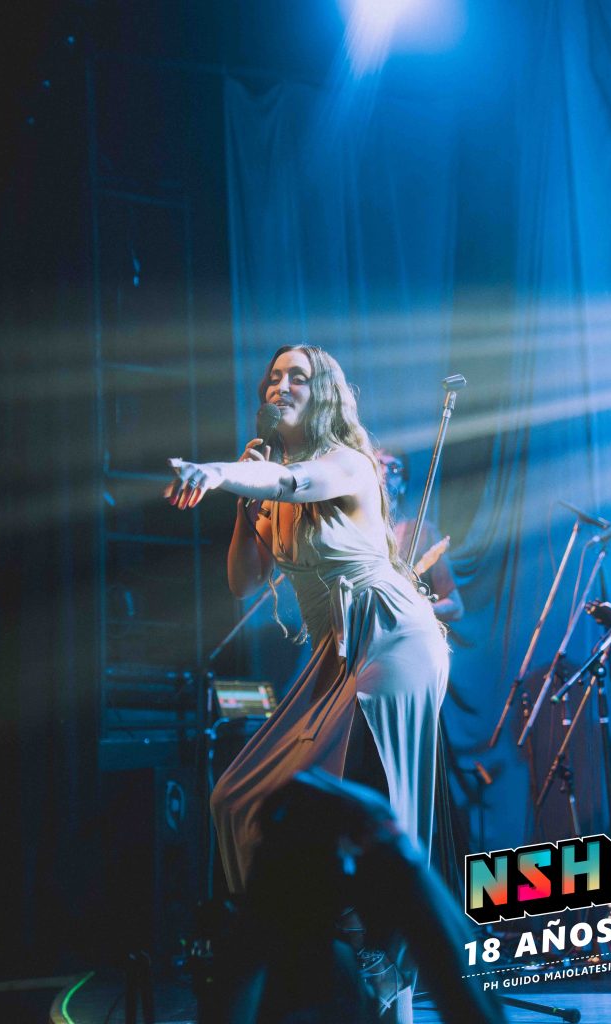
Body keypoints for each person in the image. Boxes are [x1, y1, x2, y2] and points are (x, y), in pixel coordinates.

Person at [166, 346, 449, 1015]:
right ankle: (298, 944)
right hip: (335, 651)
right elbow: (244, 581)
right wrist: (242, 501)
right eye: (274, 377)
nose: (282, 385)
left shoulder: (345, 462)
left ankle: (381, 958)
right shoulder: (270, 488)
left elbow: (293, 483)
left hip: (391, 636)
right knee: (236, 795)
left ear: (324, 394)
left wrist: (219, 472)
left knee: (362, 803)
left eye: (298, 376)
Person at [378, 451, 464, 623]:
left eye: (394, 468)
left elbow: (455, 606)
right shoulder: (349, 529)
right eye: (378, 464)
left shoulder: (421, 531)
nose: (385, 472)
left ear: (403, 485)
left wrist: (415, 609)